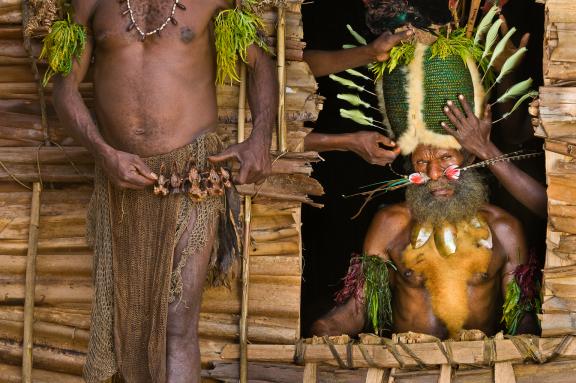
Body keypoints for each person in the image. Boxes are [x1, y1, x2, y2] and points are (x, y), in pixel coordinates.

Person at [51, 1, 277, 382]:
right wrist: (105, 154)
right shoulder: (91, 4)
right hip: (122, 175)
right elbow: (64, 86)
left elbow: (260, 63)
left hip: (193, 175)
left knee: (177, 322)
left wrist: (260, 138)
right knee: (129, 321)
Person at [311, 143, 538, 339]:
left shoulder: (503, 228)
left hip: (476, 366)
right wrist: (325, 327)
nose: (435, 173)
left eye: (445, 158)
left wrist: (527, 340)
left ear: (469, 158)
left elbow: (519, 314)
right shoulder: (391, 224)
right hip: (409, 365)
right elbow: (358, 308)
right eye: (422, 162)